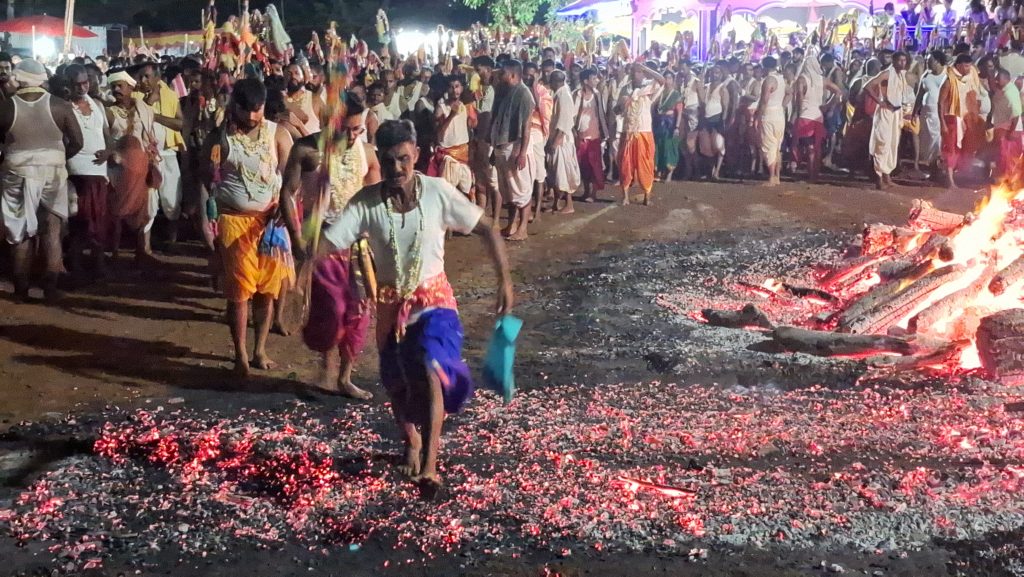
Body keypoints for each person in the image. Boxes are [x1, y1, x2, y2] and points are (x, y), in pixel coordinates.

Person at [320, 119, 513, 488]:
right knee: (397, 383)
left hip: (435, 302)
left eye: (404, 159)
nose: (397, 169)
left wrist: (504, 281)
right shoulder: (366, 203)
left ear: (417, 155)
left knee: (431, 366)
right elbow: (329, 243)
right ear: (379, 158)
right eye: (389, 161)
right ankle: (411, 441)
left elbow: (487, 227)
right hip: (392, 308)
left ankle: (430, 465)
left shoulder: (438, 191)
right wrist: (306, 245)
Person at [282, 96, 381, 399]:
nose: (354, 136)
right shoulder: (307, 150)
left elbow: (374, 184)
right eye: (348, 130)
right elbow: (287, 193)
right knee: (333, 309)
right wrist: (297, 240)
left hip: (357, 246)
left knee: (359, 312)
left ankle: (344, 377)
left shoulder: (364, 151)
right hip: (323, 242)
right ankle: (326, 369)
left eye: (358, 129)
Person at [201, 78, 295, 377]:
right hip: (233, 223)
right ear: (234, 106)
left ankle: (259, 350)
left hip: (270, 224)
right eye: (247, 111)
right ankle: (240, 353)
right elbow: (206, 180)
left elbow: (291, 180)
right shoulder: (219, 138)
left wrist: (284, 205)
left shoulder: (277, 134)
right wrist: (210, 225)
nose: (254, 117)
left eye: (259, 110)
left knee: (267, 290)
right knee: (240, 291)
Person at [0, 60, 83, 301]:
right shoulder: (60, 106)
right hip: (53, 172)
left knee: (20, 232)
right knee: (52, 230)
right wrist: (59, 156)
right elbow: (77, 141)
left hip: (16, 171)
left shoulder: (6, 107)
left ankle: (21, 289)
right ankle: (50, 288)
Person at [64, 64, 113, 284]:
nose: (82, 87)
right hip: (77, 172)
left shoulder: (98, 105)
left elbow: (107, 135)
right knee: (79, 223)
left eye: (85, 82)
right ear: (68, 85)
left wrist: (109, 151)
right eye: (77, 84)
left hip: (98, 172)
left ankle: (98, 265)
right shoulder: (64, 108)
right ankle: (76, 267)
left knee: (99, 222)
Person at [133, 62, 186, 247]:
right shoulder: (134, 96)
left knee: (172, 200)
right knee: (148, 202)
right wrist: (149, 105)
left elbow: (180, 124)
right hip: (145, 157)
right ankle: (144, 246)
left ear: (157, 77)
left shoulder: (170, 95)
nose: (143, 80)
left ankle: (172, 238)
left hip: (168, 155)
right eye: (140, 76)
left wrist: (155, 116)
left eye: (147, 76)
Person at [490, 59, 536, 241]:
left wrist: (522, 151)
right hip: (502, 146)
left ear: (513, 75)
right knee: (508, 191)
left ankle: (522, 229)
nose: (500, 77)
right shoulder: (505, 92)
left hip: (515, 147)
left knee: (522, 190)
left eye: (502, 74)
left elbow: (526, 127)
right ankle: (511, 225)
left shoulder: (524, 94)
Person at [617, 62, 664, 205]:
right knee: (625, 163)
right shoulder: (625, 89)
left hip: (644, 131)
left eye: (638, 71)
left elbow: (661, 80)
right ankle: (625, 196)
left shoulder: (649, 88)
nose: (635, 74)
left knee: (645, 164)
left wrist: (646, 68)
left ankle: (646, 197)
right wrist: (620, 107)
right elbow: (619, 108)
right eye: (633, 71)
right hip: (628, 131)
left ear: (643, 73)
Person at [866, 51, 911, 189]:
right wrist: (879, 102)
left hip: (895, 113)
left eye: (904, 60)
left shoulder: (901, 75)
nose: (902, 63)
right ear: (894, 61)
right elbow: (868, 86)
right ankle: (879, 179)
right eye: (900, 60)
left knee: (892, 145)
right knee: (883, 144)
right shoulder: (886, 73)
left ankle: (887, 176)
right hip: (885, 113)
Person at [428, 74, 475, 197]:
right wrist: (451, 115)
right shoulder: (441, 107)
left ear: (462, 88)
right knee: (447, 193)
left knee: (465, 192)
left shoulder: (465, 106)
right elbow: (438, 133)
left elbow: (470, 127)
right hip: (448, 155)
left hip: (463, 153)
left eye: (457, 86)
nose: (455, 90)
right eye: (451, 87)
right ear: (447, 89)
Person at [545, 70, 581, 214]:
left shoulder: (563, 95)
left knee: (563, 173)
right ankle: (556, 203)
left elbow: (564, 122)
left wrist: (555, 141)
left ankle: (569, 204)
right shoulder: (560, 93)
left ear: (555, 81)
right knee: (555, 173)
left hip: (561, 141)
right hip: (556, 138)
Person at [470, 55, 500, 221]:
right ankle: (482, 216)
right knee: (481, 179)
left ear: (488, 70)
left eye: (478, 70)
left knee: (493, 182)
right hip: (479, 137)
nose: (476, 73)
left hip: (489, 138)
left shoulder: (495, 89)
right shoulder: (480, 89)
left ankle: (495, 219)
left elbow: (488, 115)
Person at [573, 67, 609, 202]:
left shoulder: (597, 94)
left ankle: (593, 193)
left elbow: (601, 114)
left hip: (594, 136)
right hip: (581, 136)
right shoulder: (576, 95)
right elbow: (573, 115)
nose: (596, 81)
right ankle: (587, 191)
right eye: (594, 79)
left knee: (595, 165)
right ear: (585, 81)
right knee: (584, 166)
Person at [939, 53, 974, 187]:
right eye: (966, 66)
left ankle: (950, 175)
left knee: (958, 149)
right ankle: (949, 179)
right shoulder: (949, 80)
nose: (968, 68)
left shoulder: (964, 79)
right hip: (951, 119)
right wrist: (942, 123)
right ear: (958, 65)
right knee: (951, 149)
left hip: (961, 119)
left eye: (969, 66)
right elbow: (940, 103)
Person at [755, 56, 787, 186]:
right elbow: (789, 92)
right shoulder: (782, 79)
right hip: (779, 114)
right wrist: (782, 105)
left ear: (765, 67)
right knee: (776, 145)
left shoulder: (769, 80)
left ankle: (772, 177)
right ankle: (777, 177)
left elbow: (764, 101)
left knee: (769, 146)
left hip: (769, 115)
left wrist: (758, 117)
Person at [916, 50, 947, 176]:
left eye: (930, 61)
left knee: (938, 141)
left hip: (940, 115)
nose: (927, 63)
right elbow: (920, 94)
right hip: (926, 114)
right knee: (926, 141)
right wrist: (914, 112)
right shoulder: (926, 75)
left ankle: (937, 168)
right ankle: (930, 166)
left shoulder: (947, 75)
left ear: (938, 62)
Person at [988, 68, 1022, 179]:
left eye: (998, 79)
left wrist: (1011, 132)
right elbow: (993, 87)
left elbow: (1016, 115)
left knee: (1008, 156)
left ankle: (1009, 180)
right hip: (1002, 127)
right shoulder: (1003, 88)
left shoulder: (1010, 93)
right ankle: (1004, 178)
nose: (996, 81)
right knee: (1002, 155)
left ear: (1006, 79)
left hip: (1009, 129)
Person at [653, 70, 684, 182]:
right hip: (659, 122)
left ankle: (669, 174)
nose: (667, 81)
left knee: (669, 147)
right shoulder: (660, 93)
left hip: (670, 123)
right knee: (658, 147)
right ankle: (659, 171)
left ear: (673, 80)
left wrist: (676, 127)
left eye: (669, 78)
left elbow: (679, 112)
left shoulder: (676, 94)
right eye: (665, 78)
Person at [285, 62, 322, 136]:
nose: (293, 76)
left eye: (297, 73)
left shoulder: (314, 99)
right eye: (289, 74)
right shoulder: (281, 100)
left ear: (304, 77)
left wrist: (299, 125)